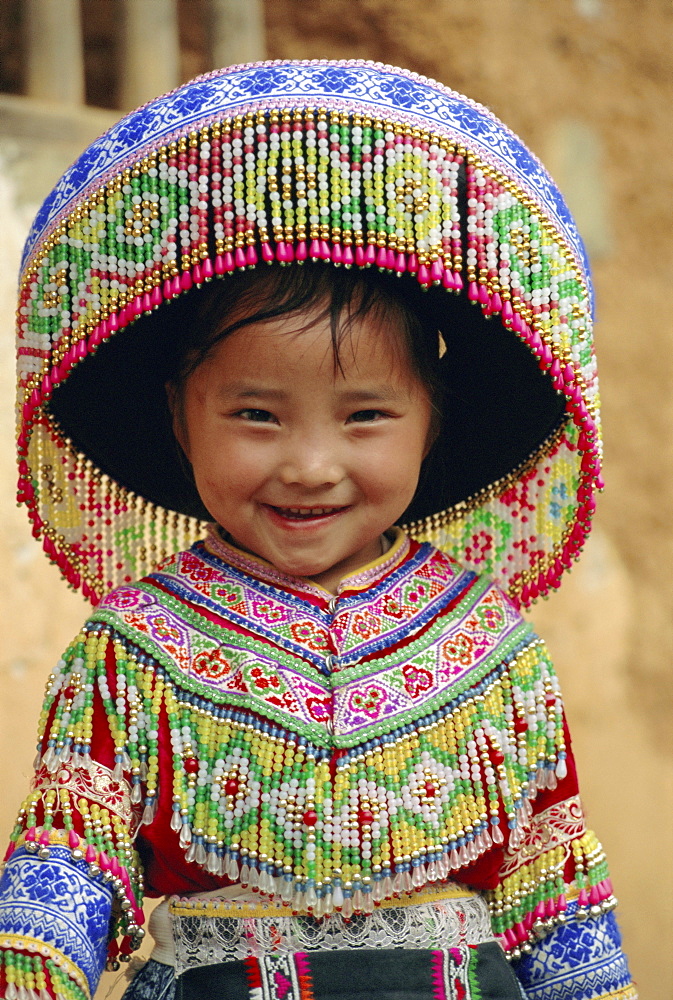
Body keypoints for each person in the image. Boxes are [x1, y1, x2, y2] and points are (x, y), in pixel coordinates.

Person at [0, 60, 636, 1000]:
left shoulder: (491, 647)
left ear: (433, 421)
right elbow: (66, 869)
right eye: (257, 416)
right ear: (179, 418)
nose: (308, 464)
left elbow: (555, 892)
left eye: (364, 417)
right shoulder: (132, 652)